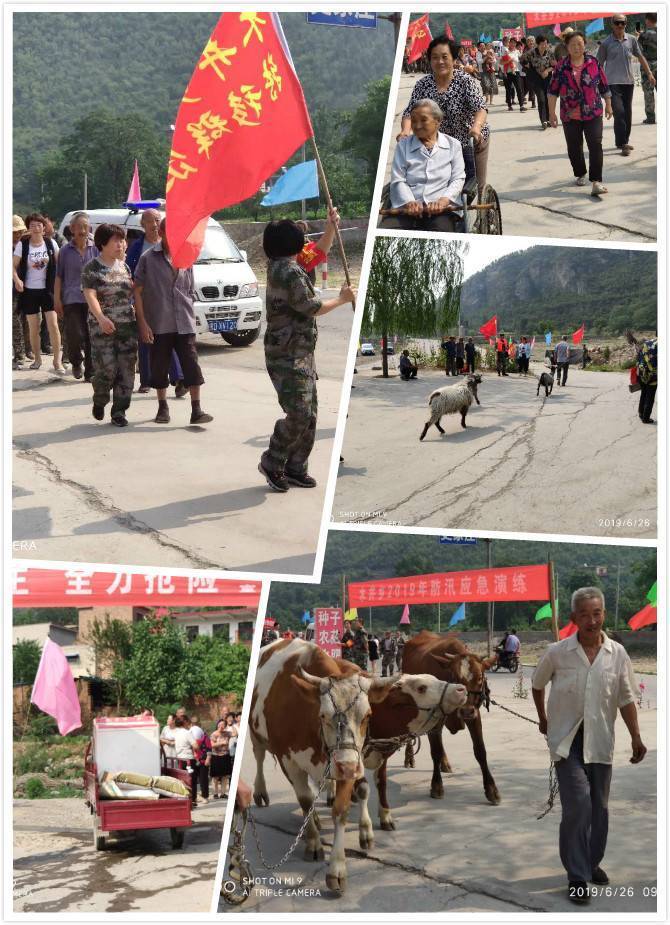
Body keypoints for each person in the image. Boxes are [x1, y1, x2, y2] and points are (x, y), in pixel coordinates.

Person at [532, 587, 646, 905]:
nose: (591, 620)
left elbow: (626, 698)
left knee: (600, 808)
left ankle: (592, 860)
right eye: (584, 614)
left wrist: (636, 736)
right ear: (574, 618)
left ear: (604, 615)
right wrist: (543, 719)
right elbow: (537, 684)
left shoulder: (618, 654)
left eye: (596, 613)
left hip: (601, 741)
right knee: (579, 804)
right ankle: (577, 876)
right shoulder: (557, 652)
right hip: (567, 742)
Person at [258, 219, 355, 492]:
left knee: (310, 413)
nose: (304, 239)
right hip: (287, 354)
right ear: (292, 244)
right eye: (300, 236)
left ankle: (295, 467)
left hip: (300, 352)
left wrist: (331, 228)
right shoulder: (289, 271)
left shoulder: (285, 264)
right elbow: (310, 306)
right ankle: (272, 460)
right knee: (299, 412)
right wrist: (343, 298)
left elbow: (320, 250)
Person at [133, 218, 213, 426]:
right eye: (171, 232)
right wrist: (142, 321)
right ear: (161, 233)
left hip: (184, 321)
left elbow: (190, 289)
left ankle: (196, 409)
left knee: (191, 365)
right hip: (159, 322)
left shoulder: (187, 257)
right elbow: (137, 292)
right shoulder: (148, 258)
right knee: (159, 366)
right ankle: (162, 407)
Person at [399, 36, 491, 188]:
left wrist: (476, 127)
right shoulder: (423, 85)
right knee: (442, 186)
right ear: (429, 60)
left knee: (475, 185)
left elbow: (480, 108)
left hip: (470, 140)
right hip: (439, 146)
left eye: (444, 57)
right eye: (435, 57)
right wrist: (405, 131)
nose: (440, 61)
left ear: (454, 59)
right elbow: (410, 112)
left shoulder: (465, 81)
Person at [81, 223, 138, 426]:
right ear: (102, 243)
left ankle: (119, 411)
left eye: (122, 240)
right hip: (102, 328)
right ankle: (100, 399)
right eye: (116, 240)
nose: (121, 244)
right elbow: (90, 295)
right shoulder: (92, 268)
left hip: (127, 326)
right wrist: (101, 318)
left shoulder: (125, 267)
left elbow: (133, 295)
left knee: (127, 370)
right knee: (107, 370)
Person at [127, 208, 186, 397]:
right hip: (144, 300)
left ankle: (178, 379)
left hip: (168, 301)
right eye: (150, 221)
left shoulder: (169, 244)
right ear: (142, 225)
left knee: (170, 339)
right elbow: (129, 271)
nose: (154, 224)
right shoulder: (137, 247)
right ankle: (146, 381)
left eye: (157, 220)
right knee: (146, 340)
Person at [384, 99, 465, 232]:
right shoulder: (403, 145)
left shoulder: (453, 145)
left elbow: (458, 178)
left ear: (438, 121)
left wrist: (444, 200)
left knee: (440, 231)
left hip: (441, 209)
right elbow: (398, 179)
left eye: (423, 120)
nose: (417, 125)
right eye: (414, 121)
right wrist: (409, 201)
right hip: (407, 207)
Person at [548, 32, 612, 198]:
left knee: (595, 144)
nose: (577, 47)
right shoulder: (561, 67)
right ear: (567, 47)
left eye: (580, 43)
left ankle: (596, 181)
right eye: (573, 45)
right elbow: (552, 91)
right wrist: (551, 113)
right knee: (574, 148)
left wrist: (609, 105)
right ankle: (580, 172)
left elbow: (604, 85)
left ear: (585, 44)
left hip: (593, 111)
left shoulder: (593, 62)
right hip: (570, 115)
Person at [12, 212, 64, 373]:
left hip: (48, 290)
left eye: (39, 225)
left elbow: (60, 265)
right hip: (29, 291)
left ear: (44, 228)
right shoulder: (23, 245)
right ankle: (37, 358)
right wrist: (17, 280)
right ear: (29, 228)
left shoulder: (51, 243)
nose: (36, 228)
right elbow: (12, 266)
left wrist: (60, 287)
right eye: (32, 225)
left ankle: (57, 361)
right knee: (33, 327)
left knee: (53, 325)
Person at [597, 15, 656, 155]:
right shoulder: (606, 43)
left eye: (622, 23)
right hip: (612, 83)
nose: (619, 26)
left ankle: (622, 140)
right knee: (619, 112)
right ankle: (624, 144)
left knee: (627, 113)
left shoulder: (632, 39)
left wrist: (649, 73)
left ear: (625, 24)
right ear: (612, 24)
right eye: (617, 23)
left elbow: (640, 56)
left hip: (628, 82)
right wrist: (595, 82)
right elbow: (598, 64)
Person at [54, 212, 98, 381]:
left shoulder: (95, 248)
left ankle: (90, 370)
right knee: (75, 334)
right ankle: (76, 362)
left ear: (89, 229)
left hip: (92, 298)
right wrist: (56, 299)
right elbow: (59, 276)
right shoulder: (65, 251)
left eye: (85, 227)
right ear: (72, 229)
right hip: (71, 298)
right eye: (78, 227)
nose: (82, 230)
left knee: (90, 335)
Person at [295, 206, 340, 285]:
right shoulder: (292, 250)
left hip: (309, 277)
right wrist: (331, 225)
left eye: (302, 229)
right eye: (298, 228)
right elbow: (321, 249)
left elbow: (319, 250)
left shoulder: (306, 242)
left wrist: (332, 225)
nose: (300, 231)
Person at [524, 34, 556, 128]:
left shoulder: (550, 53)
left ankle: (549, 118)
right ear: (537, 44)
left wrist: (547, 70)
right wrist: (529, 67)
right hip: (536, 78)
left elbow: (554, 65)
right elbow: (522, 59)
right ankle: (544, 121)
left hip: (547, 78)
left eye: (546, 43)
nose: (544, 46)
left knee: (547, 99)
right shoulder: (531, 52)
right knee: (541, 99)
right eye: (542, 44)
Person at [12, 215, 29, 369]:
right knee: (14, 322)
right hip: (11, 290)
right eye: (14, 232)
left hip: (27, 287)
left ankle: (27, 351)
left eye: (19, 232)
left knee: (28, 321)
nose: (16, 235)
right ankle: (19, 354)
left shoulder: (25, 245)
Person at [638, 13, 657, 124]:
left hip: (648, 65)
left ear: (647, 20)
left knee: (648, 91)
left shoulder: (644, 35)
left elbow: (639, 53)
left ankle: (650, 117)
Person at [636, 335, 657, 424]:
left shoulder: (647, 343)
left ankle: (641, 413)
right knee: (650, 396)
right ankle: (646, 418)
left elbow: (639, 356)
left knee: (644, 393)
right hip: (652, 375)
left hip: (641, 372)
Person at [501, 37, 526, 112]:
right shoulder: (505, 51)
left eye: (514, 43)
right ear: (509, 43)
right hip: (507, 72)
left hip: (516, 71)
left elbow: (521, 59)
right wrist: (509, 61)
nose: (513, 44)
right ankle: (509, 105)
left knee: (519, 88)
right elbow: (501, 62)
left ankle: (521, 106)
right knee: (508, 89)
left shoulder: (517, 51)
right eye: (511, 42)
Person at [210, 718, 230, 799]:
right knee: (215, 776)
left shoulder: (227, 733)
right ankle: (215, 793)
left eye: (223, 725)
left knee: (225, 776)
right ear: (217, 725)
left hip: (225, 755)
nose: (221, 726)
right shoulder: (214, 734)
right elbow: (212, 745)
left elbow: (235, 733)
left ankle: (223, 793)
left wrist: (230, 724)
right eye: (220, 724)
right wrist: (222, 743)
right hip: (216, 756)